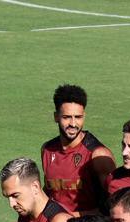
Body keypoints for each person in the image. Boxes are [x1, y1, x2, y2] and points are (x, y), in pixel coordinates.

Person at [40, 84, 115, 214]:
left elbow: (114, 206)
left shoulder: (99, 156)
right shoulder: (47, 150)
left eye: (78, 117)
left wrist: (70, 218)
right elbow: (50, 192)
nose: (73, 124)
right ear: (56, 117)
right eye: (67, 117)